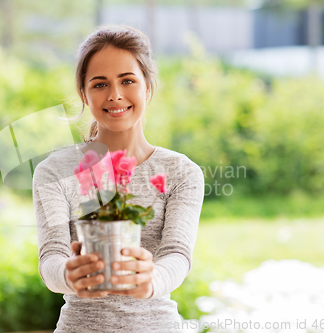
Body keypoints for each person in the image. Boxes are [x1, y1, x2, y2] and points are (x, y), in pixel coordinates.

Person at [32, 25, 204, 332]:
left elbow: (177, 254)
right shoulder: (54, 172)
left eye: (127, 80)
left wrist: (150, 280)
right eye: (100, 84)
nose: (115, 95)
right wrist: (69, 275)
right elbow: (51, 258)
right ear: (84, 94)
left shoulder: (182, 172)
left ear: (147, 87)